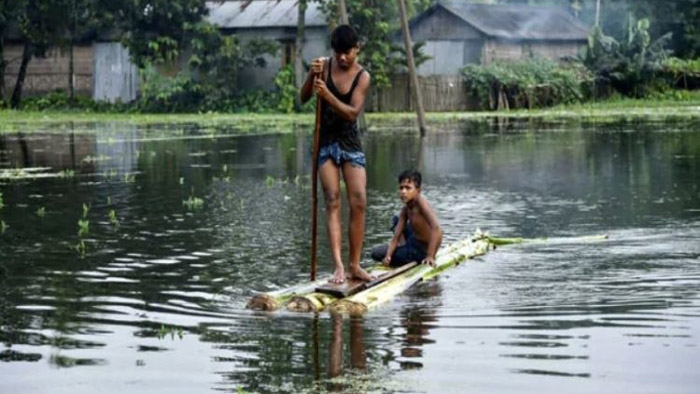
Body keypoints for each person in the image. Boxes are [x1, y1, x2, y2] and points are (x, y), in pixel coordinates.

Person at [300, 25, 372, 284]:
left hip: (350, 142)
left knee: (359, 201)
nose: (342, 58)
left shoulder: (362, 76)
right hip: (326, 141)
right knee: (332, 199)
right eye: (338, 53)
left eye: (347, 53)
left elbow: (352, 113)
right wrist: (312, 75)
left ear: (356, 49)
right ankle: (339, 267)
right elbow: (303, 98)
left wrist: (328, 95)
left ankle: (355, 265)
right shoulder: (324, 67)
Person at [371, 170, 443, 267]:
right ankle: (402, 248)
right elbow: (396, 237)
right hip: (413, 241)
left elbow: (437, 229)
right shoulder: (406, 209)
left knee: (376, 253)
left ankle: (404, 252)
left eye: (408, 188)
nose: (403, 191)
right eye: (401, 188)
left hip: (420, 251)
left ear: (418, 191)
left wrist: (430, 256)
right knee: (396, 220)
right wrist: (388, 256)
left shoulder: (421, 204)